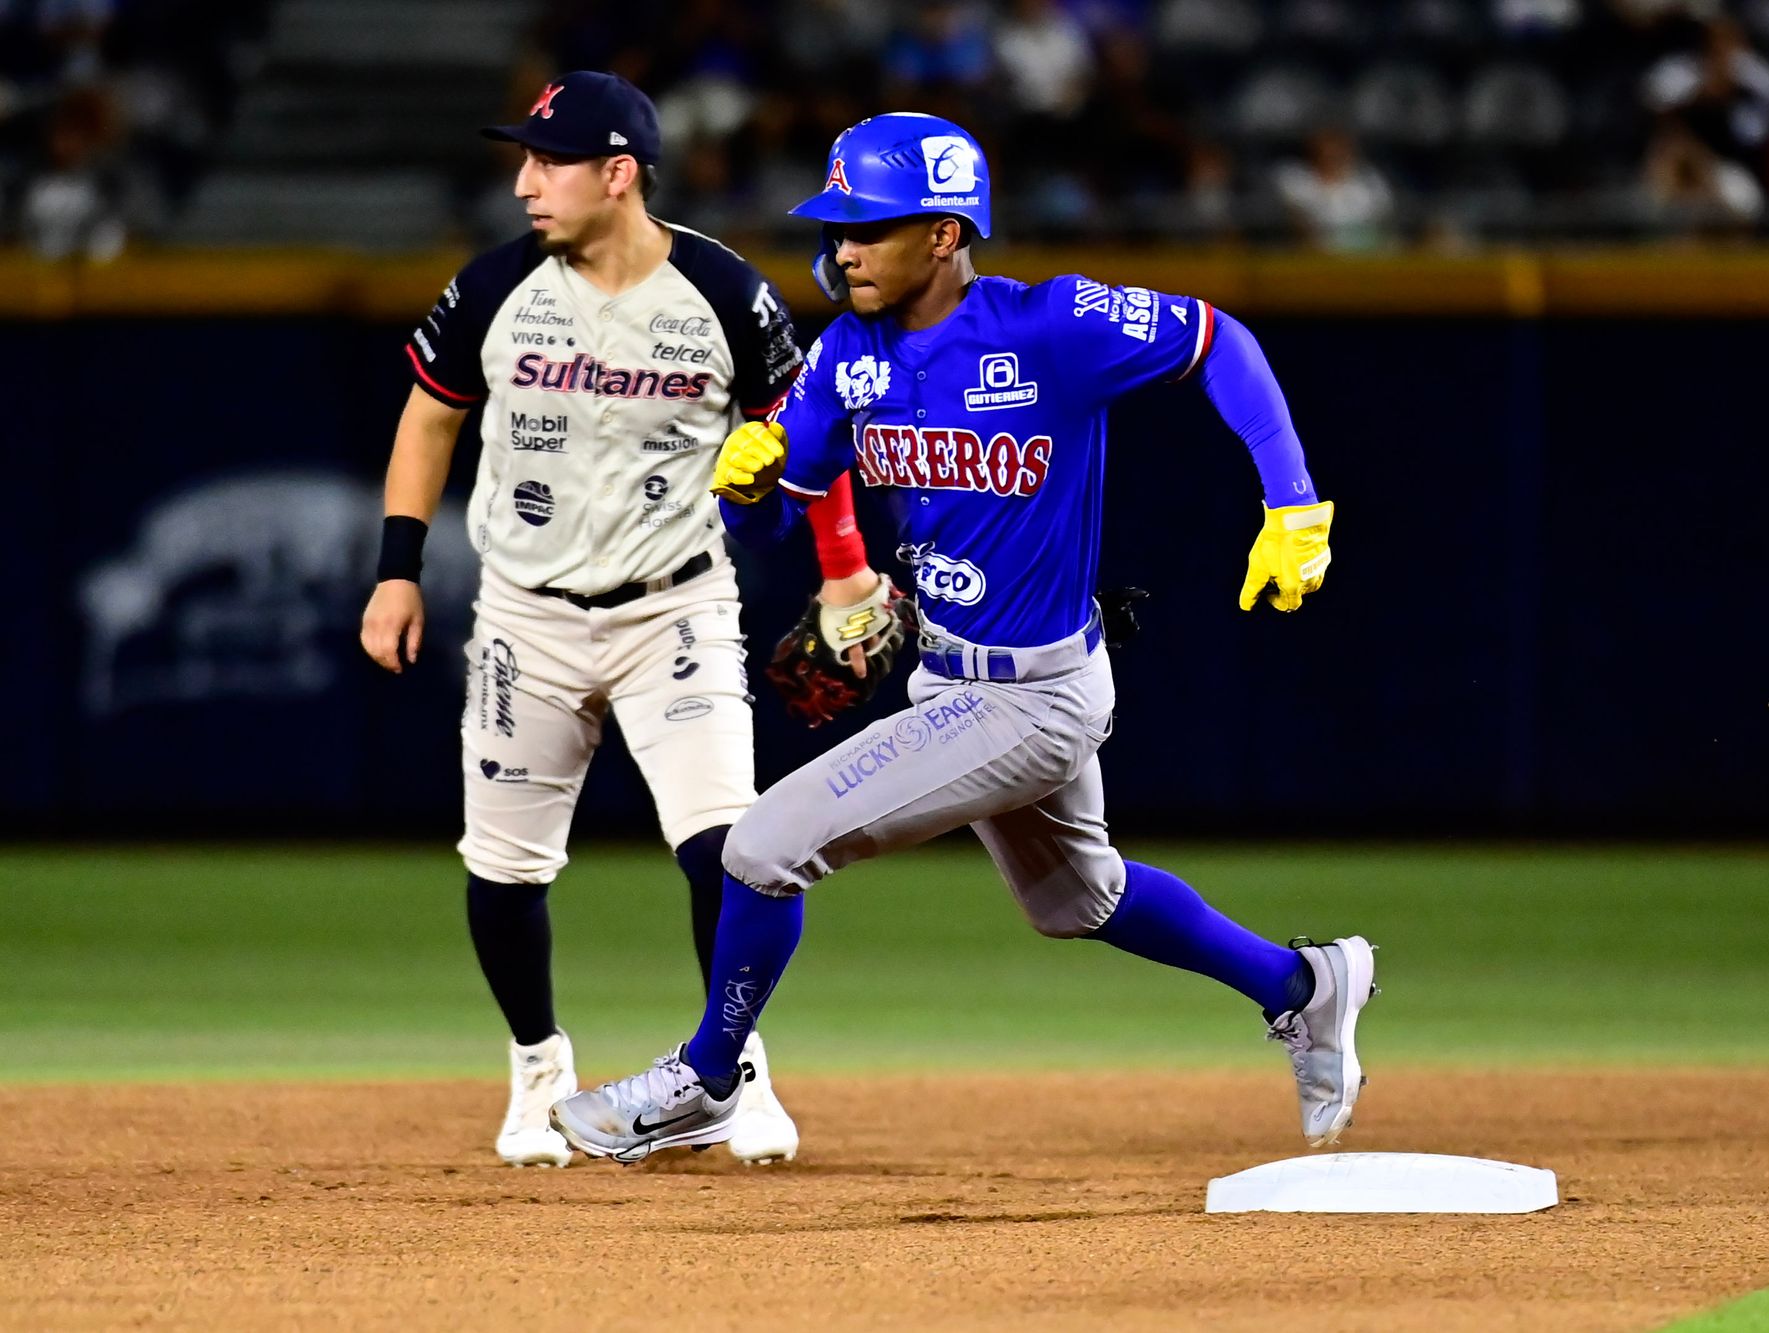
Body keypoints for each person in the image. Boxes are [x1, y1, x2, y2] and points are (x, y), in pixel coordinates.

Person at [550, 113, 1376, 1163]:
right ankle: (1303, 986)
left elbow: (1221, 342)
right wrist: (747, 483)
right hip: (945, 677)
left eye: (868, 225)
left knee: (759, 849)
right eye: (835, 224)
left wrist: (1292, 502)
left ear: (943, 233)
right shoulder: (847, 353)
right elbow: (769, 516)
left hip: (1034, 695)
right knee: (1081, 899)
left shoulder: (1052, 326)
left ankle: (707, 1078)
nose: (840, 246)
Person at [358, 72, 902, 1168]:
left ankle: (728, 1065)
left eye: (546, 161)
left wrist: (844, 572)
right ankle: (535, 1068)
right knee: (504, 868)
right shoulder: (495, 287)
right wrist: (396, 568)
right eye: (521, 159)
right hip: (526, 614)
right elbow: (428, 419)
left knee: (736, 853)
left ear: (618, 173)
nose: (522, 183)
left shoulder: (720, 289)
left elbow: (811, 434)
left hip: (677, 609)